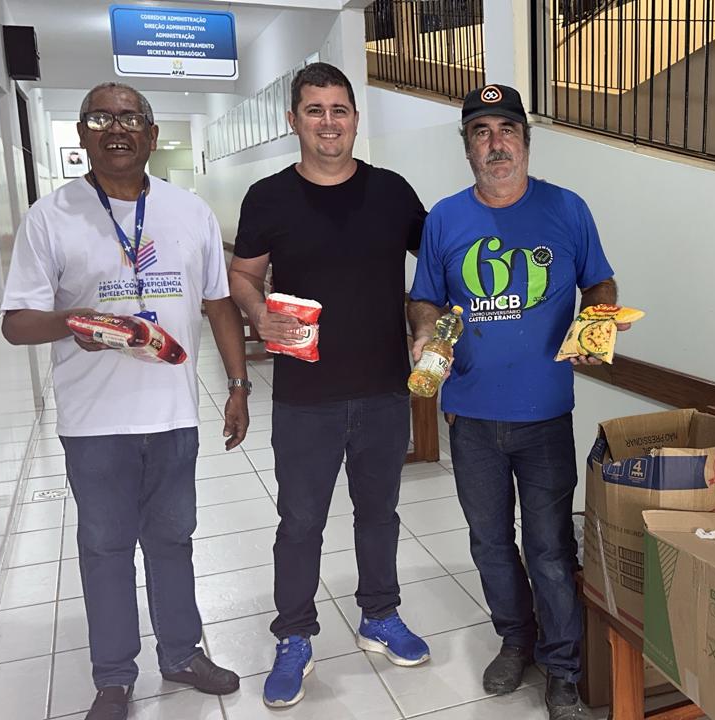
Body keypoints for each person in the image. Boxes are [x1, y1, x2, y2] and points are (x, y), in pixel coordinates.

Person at [1, 82, 248, 720]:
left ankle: (182, 653)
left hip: (172, 416)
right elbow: (17, 323)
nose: (117, 128)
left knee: (174, 541)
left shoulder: (188, 212)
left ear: (151, 133)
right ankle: (113, 677)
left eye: (130, 118)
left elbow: (218, 304)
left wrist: (239, 386)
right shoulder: (50, 216)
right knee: (106, 548)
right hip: (94, 424)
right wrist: (73, 321)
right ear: (82, 134)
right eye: (101, 118)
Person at [406, 84, 625, 720]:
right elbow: (427, 296)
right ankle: (515, 640)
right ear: (467, 145)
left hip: (546, 413)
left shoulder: (566, 208)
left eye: (507, 130)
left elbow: (599, 279)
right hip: (470, 416)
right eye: (481, 131)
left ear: (525, 140)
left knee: (552, 547)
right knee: (489, 540)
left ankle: (562, 667)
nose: (496, 143)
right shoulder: (444, 217)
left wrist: (599, 317)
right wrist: (425, 331)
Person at [228, 63, 430, 708]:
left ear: (354, 119)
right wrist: (259, 315)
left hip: (382, 390)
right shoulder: (268, 197)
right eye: (314, 111)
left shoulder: (393, 192)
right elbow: (242, 274)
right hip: (305, 396)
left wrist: (434, 326)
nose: (328, 122)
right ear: (294, 122)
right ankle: (294, 637)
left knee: (380, 516)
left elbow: (441, 260)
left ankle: (379, 615)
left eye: (338, 109)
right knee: (300, 522)